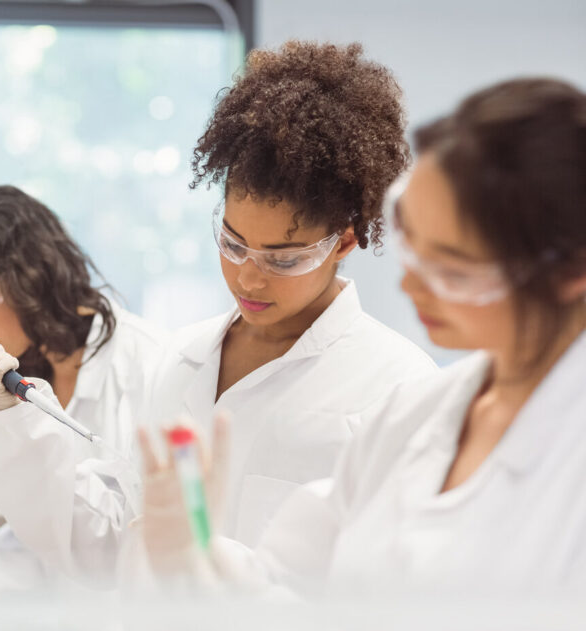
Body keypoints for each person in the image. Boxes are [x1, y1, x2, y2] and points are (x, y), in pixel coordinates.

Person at [0, 41, 437, 586]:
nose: (249, 278)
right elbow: (111, 543)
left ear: (344, 241)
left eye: (285, 258)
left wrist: (213, 571)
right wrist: (10, 421)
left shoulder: (399, 387)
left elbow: (382, 600)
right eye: (233, 243)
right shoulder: (180, 360)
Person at [140, 78, 586, 595]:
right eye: (412, 247)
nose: (409, 284)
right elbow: (285, 588)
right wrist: (196, 556)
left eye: (453, 269)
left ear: (568, 274)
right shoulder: (419, 414)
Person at [0, 184, 167, 602]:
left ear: (33, 276)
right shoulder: (30, 379)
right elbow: (48, 544)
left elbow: (115, 548)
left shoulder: (150, 366)